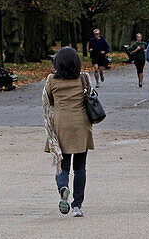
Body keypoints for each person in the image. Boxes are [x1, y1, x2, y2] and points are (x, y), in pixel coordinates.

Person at [43, 46, 94, 218]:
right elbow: (91, 94)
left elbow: (48, 100)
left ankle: (63, 188)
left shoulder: (51, 80)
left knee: (62, 164)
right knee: (80, 167)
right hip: (81, 125)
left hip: (60, 125)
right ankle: (77, 205)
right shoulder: (83, 78)